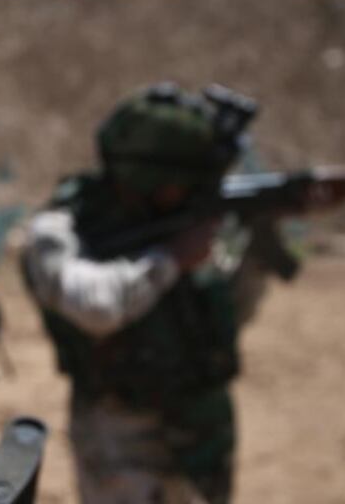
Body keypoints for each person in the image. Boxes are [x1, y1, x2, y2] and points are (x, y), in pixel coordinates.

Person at [21, 84, 292, 504]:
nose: (186, 194)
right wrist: (170, 260)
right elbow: (94, 307)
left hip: (202, 428)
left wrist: (256, 255)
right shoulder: (61, 229)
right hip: (122, 434)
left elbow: (227, 315)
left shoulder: (184, 221)